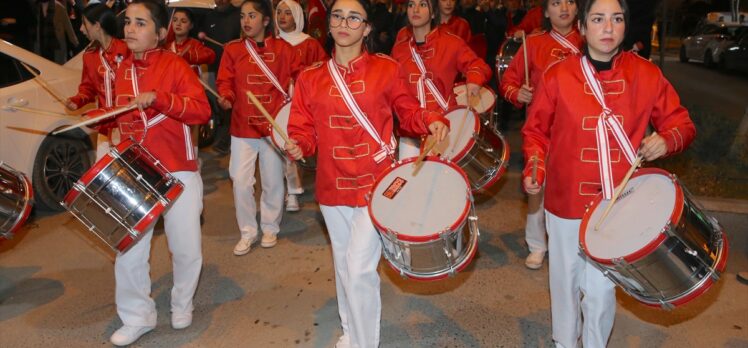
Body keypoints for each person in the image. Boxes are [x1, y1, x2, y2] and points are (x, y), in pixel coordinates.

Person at [521, 0, 696, 346]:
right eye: (598, 19)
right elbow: (535, 132)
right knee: (566, 282)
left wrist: (667, 140)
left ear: (625, 27)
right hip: (566, 199)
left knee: (601, 291)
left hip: (618, 202)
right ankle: (564, 342)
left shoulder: (646, 74)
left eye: (616, 19)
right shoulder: (558, 76)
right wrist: (535, 166)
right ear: (582, 27)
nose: (608, 27)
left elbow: (682, 124)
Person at [284, 0, 449, 345]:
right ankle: (350, 329)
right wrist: (299, 144)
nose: (345, 23)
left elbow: (407, 110)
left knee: (359, 268)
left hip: (377, 183)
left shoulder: (386, 69)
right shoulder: (310, 78)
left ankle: (364, 342)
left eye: (354, 17)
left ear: (368, 27)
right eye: (338, 16)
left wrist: (432, 119)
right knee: (344, 264)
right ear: (328, 24)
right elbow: (303, 128)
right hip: (332, 186)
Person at [97, 0, 210, 345]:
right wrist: (102, 116)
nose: (130, 28)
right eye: (128, 22)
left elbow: (201, 111)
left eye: (140, 23)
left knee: (186, 247)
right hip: (135, 170)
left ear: (160, 33)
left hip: (178, 168)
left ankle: (181, 302)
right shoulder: (118, 69)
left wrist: (161, 98)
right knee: (129, 247)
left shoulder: (176, 65)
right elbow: (117, 118)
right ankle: (137, 316)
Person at [499, 0, 581, 270]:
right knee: (537, 185)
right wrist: (517, 93)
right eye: (556, 3)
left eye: (569, 1)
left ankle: (573, 244)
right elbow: (508, 81)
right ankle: (537, 244)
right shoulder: (533, 44)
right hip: (540, 128)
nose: (564, 8)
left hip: (577, 128)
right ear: (546, 12)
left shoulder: (587, 41)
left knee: (573, 187)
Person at [216, 0, 302, 256]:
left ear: (266, 20)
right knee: (240, 181)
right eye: (243, 16)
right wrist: (226, 97)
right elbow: (225, 81)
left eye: (252, 15)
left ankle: (270, 227)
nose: (246, 21)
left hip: (273, 128)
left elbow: (300, 77)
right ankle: (247, 231)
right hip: (242, 125)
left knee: (273, 181)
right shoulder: (233, 50)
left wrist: (295, 102)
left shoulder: (285, 49)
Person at [390, 0, 491, 158]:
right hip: (411, 132)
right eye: (411, 5)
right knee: (412, 181)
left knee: (443, 180)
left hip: (444, 127)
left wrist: (474, 79)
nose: (415, 9)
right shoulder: (399, 50)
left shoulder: (451, 42)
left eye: (422, 5)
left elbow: (477, 65)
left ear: (433, 13)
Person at [275, 0, 328, 211]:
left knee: (296, 142)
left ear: (297, 16)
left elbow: (322, 70)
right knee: (282, 146)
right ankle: (288, 191)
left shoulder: (310, 43)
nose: (282, 17)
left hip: (301, 101)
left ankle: (294, 190)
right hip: (278, 101)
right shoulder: (271, 43)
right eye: (279, 12)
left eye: (288, 13)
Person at [66, 3, 129, 159]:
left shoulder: (127, 50)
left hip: (127, 126)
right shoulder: (89, 56)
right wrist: (77, 100)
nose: (81, 29)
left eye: (84, 24)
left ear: (97, 26)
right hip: (104, 128)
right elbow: (87, 88)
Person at [197, 0, 243, 155]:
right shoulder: (207, 15)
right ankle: (223, 135)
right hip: (214, 68)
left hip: (235, 69)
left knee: (232, 104)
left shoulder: (239, 15)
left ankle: (229, 138)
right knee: (219, 103)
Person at [166, 8, 216, 76]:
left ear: (191, 25)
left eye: (183, 21)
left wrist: (190, 56)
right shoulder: (166, 47)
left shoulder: (195, 44)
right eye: (175, 20)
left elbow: (211, 56)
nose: (178, 24)